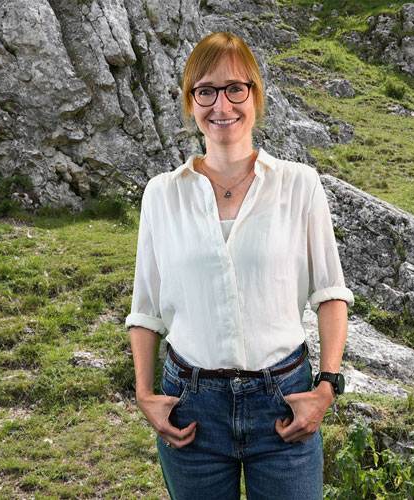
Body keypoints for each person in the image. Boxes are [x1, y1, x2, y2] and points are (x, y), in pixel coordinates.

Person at [127, 32, 354, 500]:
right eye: (205, 91)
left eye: (235, 88)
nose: (221, 104)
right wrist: (145, 394)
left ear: (255, 94)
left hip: (284, 404)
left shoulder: (299, 184)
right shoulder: (162, 194)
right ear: (191, 103)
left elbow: (331, 293)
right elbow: (146, 308)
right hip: (190, 409)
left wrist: (326, 387)